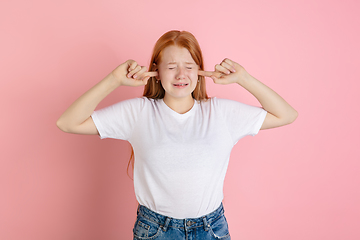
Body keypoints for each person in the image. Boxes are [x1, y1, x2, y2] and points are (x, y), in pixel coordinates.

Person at [57, 30, 298, 240]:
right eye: (171, 67)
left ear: (200, 71)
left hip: (211, 228)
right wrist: (114, 80)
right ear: (156, 73)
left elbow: (286, 115)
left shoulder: (221, 113)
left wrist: (243, 78)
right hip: (155, 230)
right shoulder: (139, 112)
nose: (181, 75)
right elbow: (67, 122)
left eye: (189, 67)